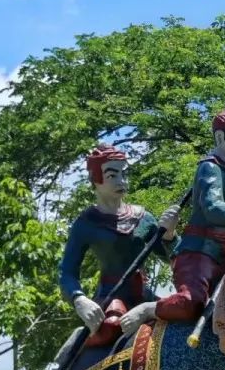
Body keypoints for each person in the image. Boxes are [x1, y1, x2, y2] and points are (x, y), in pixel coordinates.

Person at [59, 144, 180, 347]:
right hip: (111, 299)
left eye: (124, 174)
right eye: (112, 175)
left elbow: (176, 258)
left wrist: (170, 236)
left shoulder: (144, 218)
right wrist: (79, 299)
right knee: (111, 327)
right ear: (96, 178)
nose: (122, 181)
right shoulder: (86, 223)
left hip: (145, 296)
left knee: (186, 316)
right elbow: (67, 272)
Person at [155, 102, 225, 323]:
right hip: (198, 255)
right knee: (191, 303)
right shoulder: (210, 167)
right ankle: (150, 309)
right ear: (220, 139)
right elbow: (212, 206)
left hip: (221, 257)